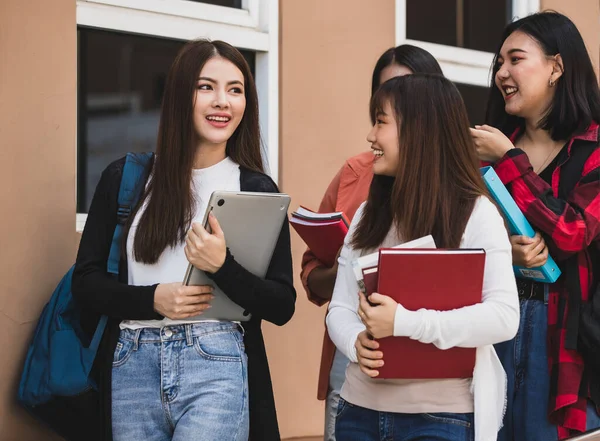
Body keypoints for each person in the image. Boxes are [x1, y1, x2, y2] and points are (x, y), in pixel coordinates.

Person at [72, 39, 296, 441]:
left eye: (235, 89)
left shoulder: (256, 189)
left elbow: (281, 304)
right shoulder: (126, 178)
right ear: (179, 94)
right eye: (205, 86)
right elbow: (85, 284)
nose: (222, 102)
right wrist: (152, 299)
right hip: (131, 359)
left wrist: (222, 266)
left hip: (217, 359)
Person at [326, 74, 519, 441]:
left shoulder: (477, 214)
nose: (371, 136)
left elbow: (504, 318)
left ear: (420, 132)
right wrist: (355, 342)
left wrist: (405, 322)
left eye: (381, 122)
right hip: (358, 414)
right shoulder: (368, 214)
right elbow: (339, 308)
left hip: (440, 420)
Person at [300, 44, 443, 441]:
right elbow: (313, 274)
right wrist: (347, 271)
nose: (395, 100)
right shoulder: (356, 173)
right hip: (354, 361)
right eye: (385, 92)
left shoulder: (459, 192)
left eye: (406, 88)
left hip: (427, 379)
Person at [471, 11, 600, 440]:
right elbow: (454, 241)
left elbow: (571, 232)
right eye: (499, 64)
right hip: (495, 322)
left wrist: (511, 161)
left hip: (565, 338)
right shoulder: (483, 152)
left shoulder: (594, 148)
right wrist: (503, 250)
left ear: (557, 67)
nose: (501, 74)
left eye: (515, 59)